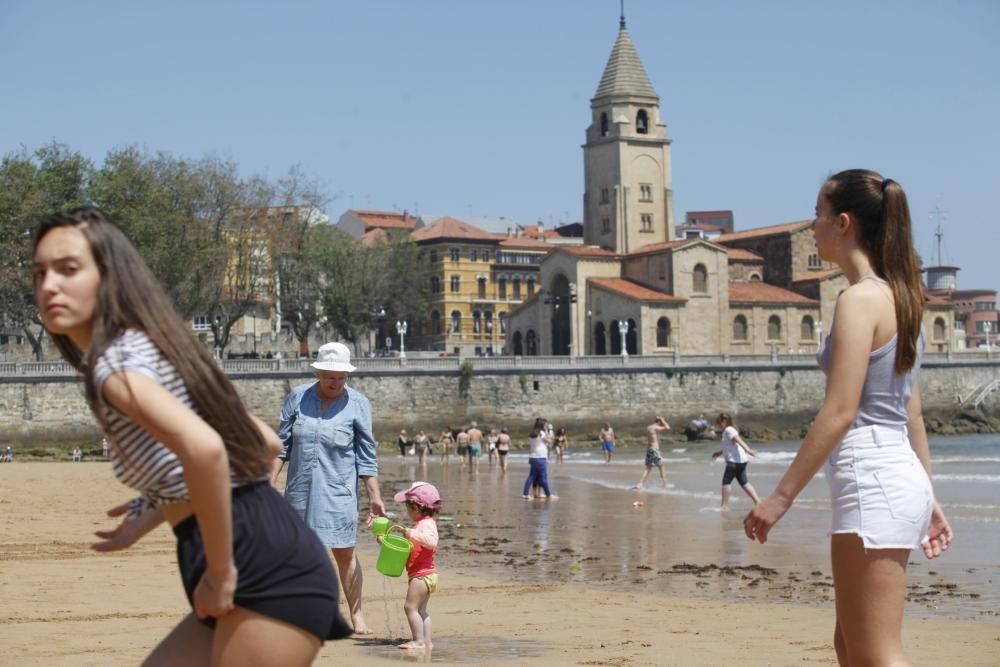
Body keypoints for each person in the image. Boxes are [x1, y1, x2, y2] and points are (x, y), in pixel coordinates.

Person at [33, 207, 350, 665]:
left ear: (110, 276)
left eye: (68, 269)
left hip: (257, 564)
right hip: (262, 544)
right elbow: (265, 445)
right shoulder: (156, 345)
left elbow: (206, 450)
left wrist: (221, 573)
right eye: (39, 272)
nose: (48, 285)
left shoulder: (114, 367)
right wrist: (157, 504)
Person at [743, 170, 953, 666]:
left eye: (817, 213)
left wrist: (779, 497)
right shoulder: (900, 297)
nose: (811, 225)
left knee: (876, 653)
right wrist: (929, 495)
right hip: (893, 473)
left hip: (873, 474)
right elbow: (911, 411)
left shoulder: (859, 301)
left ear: (843, 223)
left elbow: (840, 411)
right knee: (852, 647)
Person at [273, 341, 385, 636]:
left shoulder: (359, 404)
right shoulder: (297, 398)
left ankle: (357, 614)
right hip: (300, 490)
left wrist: (375, 497)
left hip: (339, 491)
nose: (336, 383)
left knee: (345, 554)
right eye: (330, 376)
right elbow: (280, 448)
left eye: (341, 378)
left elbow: (366, 456)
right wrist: (266, 483)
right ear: (318, 373)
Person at [388, 482, 441, 651]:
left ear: (416, 507)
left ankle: (418, 641)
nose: (407, 512)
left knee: (410, 607)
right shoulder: (423, 524)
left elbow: (432, 542)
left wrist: (412, 533)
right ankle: (426, 641)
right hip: (426, 574)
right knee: (421, 610)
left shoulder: (426, 524)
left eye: (408, 508)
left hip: (422, 575)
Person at [710, 413, 760, 510]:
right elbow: (729, 446)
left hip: (734, 461)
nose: (718, 425)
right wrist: (719, 453)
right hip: (741, 461)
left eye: (719, 423)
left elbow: (739, 441)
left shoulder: (729, 430)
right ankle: (758, 502)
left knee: (726, 482)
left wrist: (748, 450)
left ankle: (724, 506)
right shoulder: (729, 430)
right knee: (744, 483)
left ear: (724, 422)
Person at [522, 418, 556, 500]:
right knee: (543, 477)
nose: (546, 426)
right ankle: (548, 494)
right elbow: (548, 441)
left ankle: (526, 494)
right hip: (540, 457)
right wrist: (551, 437)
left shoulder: (532, 433)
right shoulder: (541, 433)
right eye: (545, 425)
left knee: (532, 476)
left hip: (533, 456)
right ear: (542, 425)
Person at [635, 417, 670, 489]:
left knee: (648, 468)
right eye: (660, 423)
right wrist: (663, 420)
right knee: (661, 466)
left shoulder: (648, 427)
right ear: (659, 422)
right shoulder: (655, 427)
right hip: (655, 449)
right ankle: (666, 484)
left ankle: (640, 483)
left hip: (649, 449)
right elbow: (668, 427)